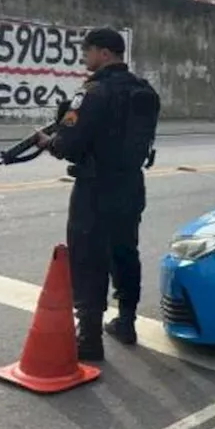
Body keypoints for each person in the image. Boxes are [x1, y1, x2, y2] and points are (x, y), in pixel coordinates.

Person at [35, 28, 161, 361]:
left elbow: (69, 145)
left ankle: (89, 338)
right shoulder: (144, 91)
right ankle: (127, 322)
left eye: (87, 51)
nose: (84, 58)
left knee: (89, 259)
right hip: (131, 187)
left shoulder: (93, 92)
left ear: (104, 53)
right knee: (125, 252)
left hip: (96, 188)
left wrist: (49, 142)